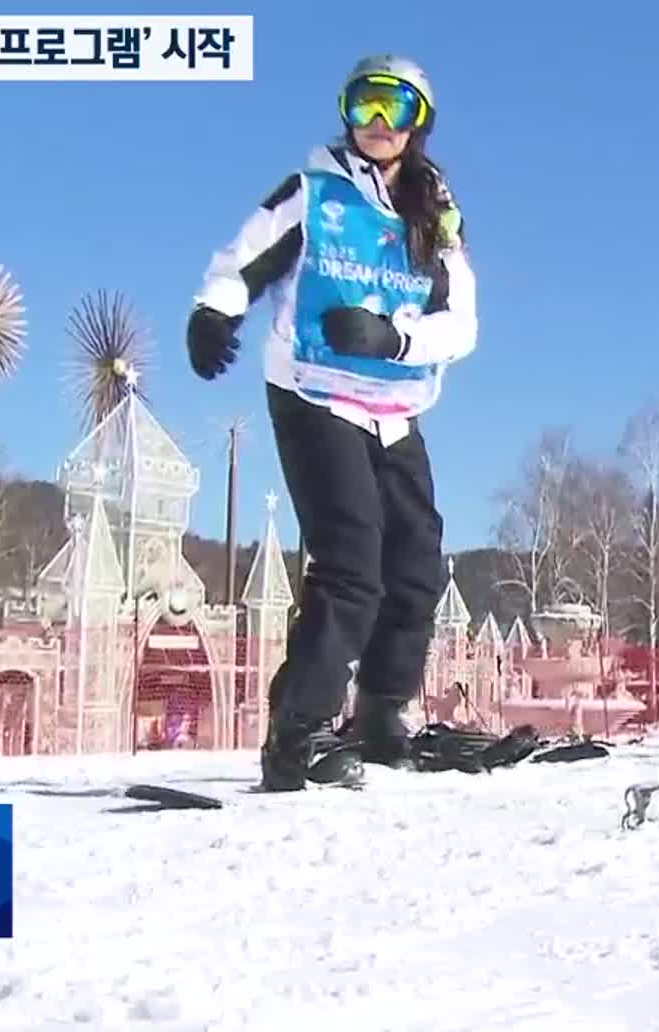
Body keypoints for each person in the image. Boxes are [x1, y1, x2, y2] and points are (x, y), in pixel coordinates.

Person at [185, 55, 477, 791]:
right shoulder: (313, 192)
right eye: (364, 105)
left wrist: (393, 339)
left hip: (394, 403)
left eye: (395, 109)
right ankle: (298, 734)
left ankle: (379, 715)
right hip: (315, 392)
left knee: (415, 564)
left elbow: (463, 322)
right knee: (351, 562)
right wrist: (215, 311)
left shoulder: (434, 212)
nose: (378, 124)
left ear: (418, 124)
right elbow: (242, 257)